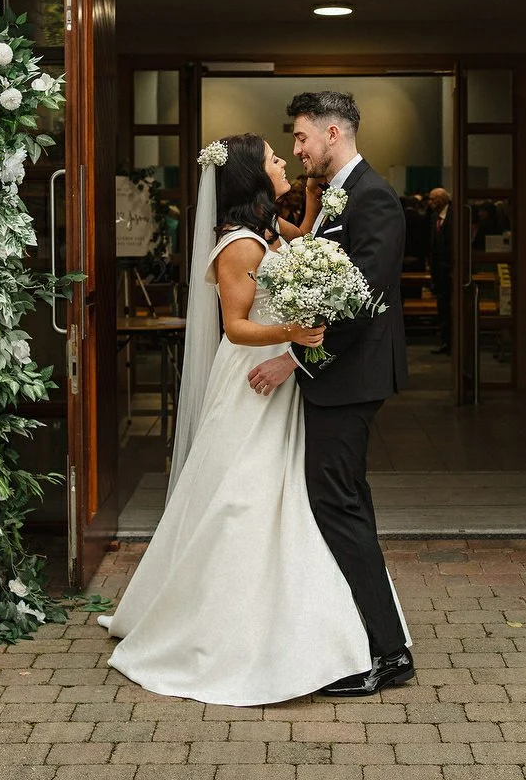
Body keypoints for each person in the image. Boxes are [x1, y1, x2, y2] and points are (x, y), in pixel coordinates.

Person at [96, 132, 409, 706]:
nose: (284, 159)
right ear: (251, 176)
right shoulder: (238, 245)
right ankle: (229, 629)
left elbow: (304, 247)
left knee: (288, 499)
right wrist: (292, 337)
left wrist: (311, 209)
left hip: (281, 383)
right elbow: (236, 327)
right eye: (273, 157)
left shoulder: (267, 233)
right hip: (253, 380)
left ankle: (315, 624)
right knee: (244, 498)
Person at [246, 91, 414, 697]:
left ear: (334, 132)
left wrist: (295, 356)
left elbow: (362, 300)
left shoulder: (374, 199)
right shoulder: (338, 196)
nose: (297, 149)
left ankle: (389, 654)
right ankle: (370, 638)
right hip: (338, 379)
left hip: (351, 377)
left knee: (338, 507)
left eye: (301, 138)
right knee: (347, 506)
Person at [427, 187, 453, 354]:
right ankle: (445, 341)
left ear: (443, 200)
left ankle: (452, 342)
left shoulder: (453, 217)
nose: (430, 203)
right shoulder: (434, 218)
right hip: (439, 273)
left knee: (450, 308)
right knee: (442, 308)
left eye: (433, 199)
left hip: (450, 271)